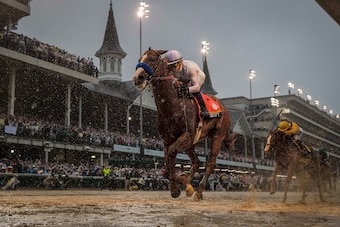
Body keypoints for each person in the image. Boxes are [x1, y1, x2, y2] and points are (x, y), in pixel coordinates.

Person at [164, 50, 209, 117]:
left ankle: (204, 108)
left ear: (180, 62)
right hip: (183, 77)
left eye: (174, 65)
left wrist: (187, 89)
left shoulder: (190, 68)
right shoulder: (172, 70)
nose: (172, 68)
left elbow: (197, 87)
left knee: (191, 88)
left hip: (198, 76)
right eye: (170, 66)